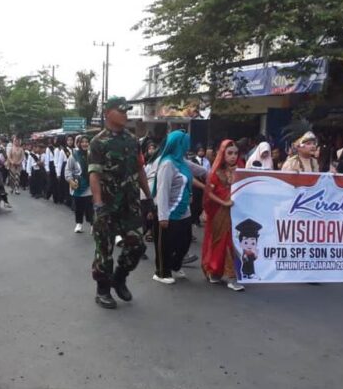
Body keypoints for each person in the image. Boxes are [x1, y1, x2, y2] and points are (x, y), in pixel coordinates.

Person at [89, 97, 152, 309]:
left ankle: (120, 277)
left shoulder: (132, 140)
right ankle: (103, 290)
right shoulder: (98, 142)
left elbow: (140, 169)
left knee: (137, 244)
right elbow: (94, 175)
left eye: (127, 111)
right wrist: (98, 204)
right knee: (104, 249)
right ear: (108, 113)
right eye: (121, 111)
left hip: (129, 202)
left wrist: (148, 196)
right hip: (106, 204)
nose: (126, 114)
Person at [151, 130, 208, 284]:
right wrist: (163, 216)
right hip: (168, 212)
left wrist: (216, 171)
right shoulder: (167, 164)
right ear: (178, 144)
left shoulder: (181, 161)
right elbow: (162, 191)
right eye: (185, 144)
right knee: (165, 245)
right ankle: (161, 272)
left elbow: (201, 170)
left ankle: (175, 265)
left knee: (185, 241)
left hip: (183, 211)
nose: (187, 147)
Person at [201, 140, 245, 291]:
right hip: (220, 212)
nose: (233, 156)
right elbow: (209, 193)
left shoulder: (242, 171)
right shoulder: (216, 172)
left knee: (234, 242)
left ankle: (226, 274)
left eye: (235, 153)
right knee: (222, 242)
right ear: (222, 154)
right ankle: (223, 274)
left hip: (238, 212)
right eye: (229, 153)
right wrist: (223, 202)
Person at [65, 135, 93, 233]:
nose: (85, 144)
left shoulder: (93, 155)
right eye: (82, 142)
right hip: (78, 185)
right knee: (79, 206)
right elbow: (68, 169)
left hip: (90, 184)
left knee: (90, 206)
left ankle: (92, 224)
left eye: (86, 142)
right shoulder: (74, 156)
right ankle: (79, 223)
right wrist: (70, 180)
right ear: (79, 144)